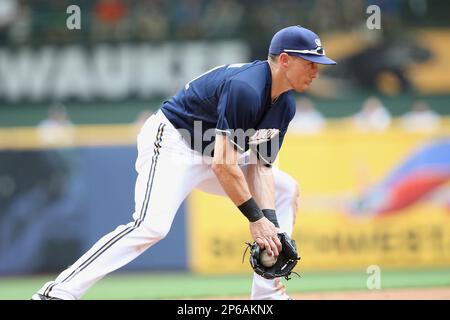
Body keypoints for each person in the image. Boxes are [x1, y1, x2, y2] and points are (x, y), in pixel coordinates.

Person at [31, 25, 336, 300]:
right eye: (310, 63)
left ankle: (266, 294)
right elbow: (223, 165)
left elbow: (261, 166)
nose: (316, 71)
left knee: (287, 189)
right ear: (284, 60)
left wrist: (269, 222)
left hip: (213, 152)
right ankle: (58, 293)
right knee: (151, 226)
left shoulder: (285, 103)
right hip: (175, 144)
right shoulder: (247, 87)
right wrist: (256, 220)